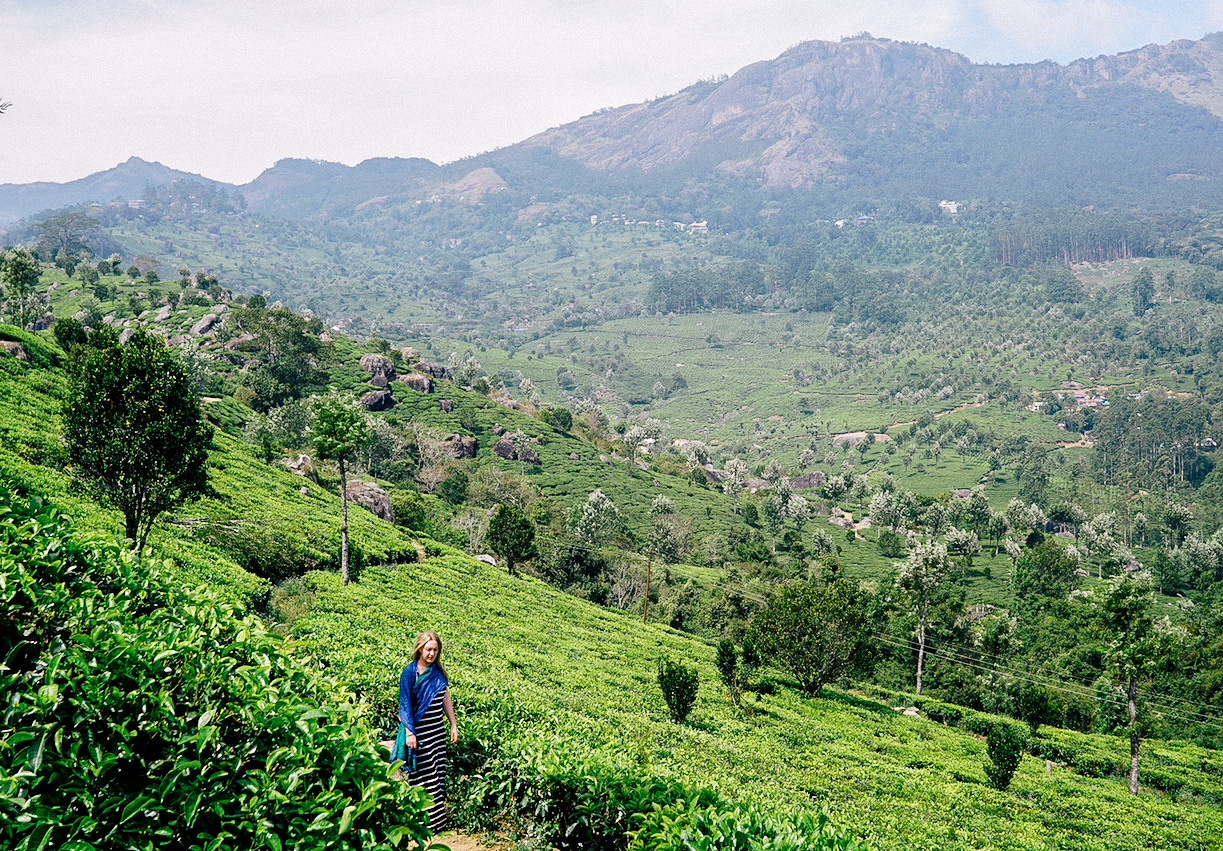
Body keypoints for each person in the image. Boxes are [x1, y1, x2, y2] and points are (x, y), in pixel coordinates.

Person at [394, 630, 458, 832]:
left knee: (437, 775)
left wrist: (453, 724)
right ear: (420, 649)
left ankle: (437, 823)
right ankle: (421, 823)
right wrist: (410, 733)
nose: (431, 654)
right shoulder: (409, 672)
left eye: (435, 650)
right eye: (428, 649)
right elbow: (404, 704)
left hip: (436, 732)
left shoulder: (437, 673)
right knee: (422, 776)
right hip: (419, 733)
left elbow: (445, 698)